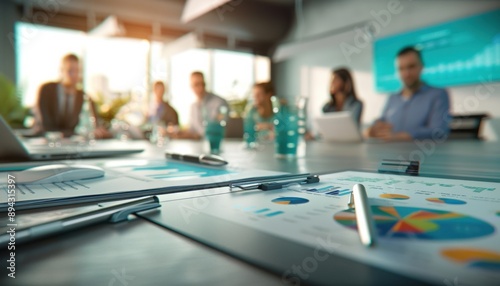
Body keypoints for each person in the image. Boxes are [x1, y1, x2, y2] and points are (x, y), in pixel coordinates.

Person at [367, 46, 450, 141]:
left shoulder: (438, 94)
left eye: (411, 67)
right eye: (401, 69)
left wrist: (402, 136)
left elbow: (439, 131)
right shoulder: (392, 98)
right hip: (390, 153)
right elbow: (382, 120)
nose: (406, 74)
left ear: (421, 66)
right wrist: (372, 128)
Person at [34, 54, 110, 138]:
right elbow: (45, 124)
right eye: (70, 71)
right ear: (61, 70)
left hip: (74, 145)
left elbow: (94, 124)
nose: (74, 75)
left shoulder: (85, 97)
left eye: (77, 71)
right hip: (45, 141)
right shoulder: (46, 90)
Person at [170, 71, 229, 139]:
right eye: (196, 84)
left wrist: (195, 136)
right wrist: (177, 133)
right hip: (196, 147)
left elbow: (217, 130)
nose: (200, 87)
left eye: (202, 84)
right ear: (191, 86)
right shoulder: (193, 107)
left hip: (215, 145)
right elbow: (192, 130)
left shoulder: (220, 103)